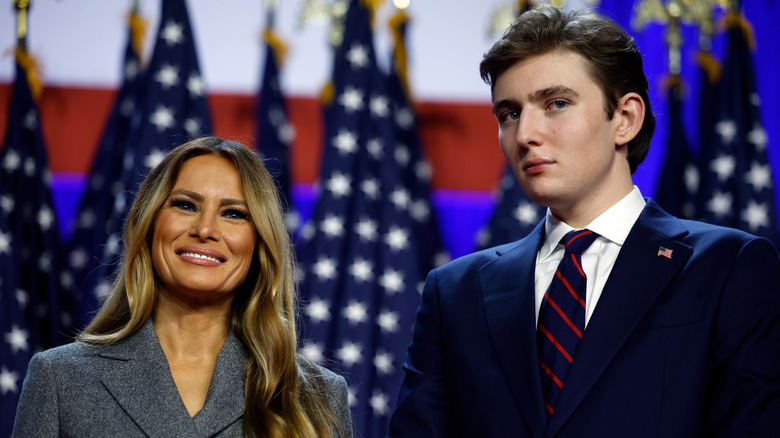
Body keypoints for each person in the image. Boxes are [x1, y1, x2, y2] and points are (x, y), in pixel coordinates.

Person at [388, 4, 780, 438]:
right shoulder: (454, 293)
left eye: (556, 104)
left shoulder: (728, 268)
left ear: (626, 119)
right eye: (509, 113)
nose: (525, 135)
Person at [13, 137, 354, 437]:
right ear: (148, 224)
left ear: (259, 244)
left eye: (234, 213)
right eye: (185, 205)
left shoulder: (317, 396)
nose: (205, 229)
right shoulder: (60, 379)